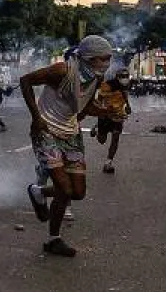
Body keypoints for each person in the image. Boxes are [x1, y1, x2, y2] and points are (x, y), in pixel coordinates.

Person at [20, 35, 113, 258]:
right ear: (90, 57)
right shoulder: (62, 71)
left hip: (71, 134)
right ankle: (54, 239)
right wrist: (36, 117)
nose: (108, 62)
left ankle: (39, 191)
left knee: (78, 192)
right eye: (104, 58)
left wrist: (104, 112)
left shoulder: (96, 79)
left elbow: (83, 106)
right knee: (64, 188)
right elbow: (25, 81)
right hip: (47, 131)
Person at [91, 67, 133, 173]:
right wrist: (101, 112)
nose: (125, 79)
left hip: (118, 117)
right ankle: (96, 130)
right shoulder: (107, 85)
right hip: (105, 116)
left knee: (115, 137)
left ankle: (108, 162)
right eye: (123, 77)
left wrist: (128, 106)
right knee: (102, 140)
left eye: (126, 76)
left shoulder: (126, 86)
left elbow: (125, 97)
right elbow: (99, 100)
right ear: (117, 77)